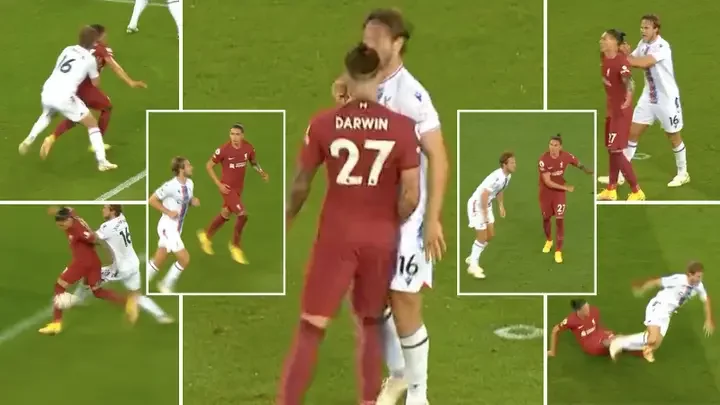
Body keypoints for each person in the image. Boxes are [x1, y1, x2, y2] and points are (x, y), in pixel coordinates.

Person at [277, 42, 421, 405]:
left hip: (336, 237)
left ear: (347, 74)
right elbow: (411, 195)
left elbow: (301, 184)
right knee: (370, 324)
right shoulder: (403, 129)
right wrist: (389, 220)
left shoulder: (323, 124)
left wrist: (285, 222)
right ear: (379, 75)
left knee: (312, 326)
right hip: (380, 238)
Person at [610, 262, 714, 362]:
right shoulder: (678, 279)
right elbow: (657, 282)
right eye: (698, 276)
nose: (700, 279)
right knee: (652, 339)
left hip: (667, 313)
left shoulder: (698, 285)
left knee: (655, 344)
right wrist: (643, 288)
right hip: (658, 306)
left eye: (701, 276)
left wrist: (708, 320)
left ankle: (634, 345)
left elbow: (706, 299)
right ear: (690, 274)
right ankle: (619, 342)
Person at [197, 123, 269, 264]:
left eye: (237, 134)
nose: (234, 137)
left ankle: (205, 236)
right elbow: (209, 165)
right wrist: (219, 184)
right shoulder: (224, 150)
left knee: (225, 213)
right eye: (232, 134)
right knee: (242, 214)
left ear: (242, 135)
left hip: (238, 189)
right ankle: (235, 246)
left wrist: (261, 172)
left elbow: (253, 162)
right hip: (227, 189)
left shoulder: (248, 148)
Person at [596, 29, 644, 201]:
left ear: (614, 43)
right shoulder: (605, 56)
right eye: (601, 39)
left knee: (616, 150)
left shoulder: (620, 61)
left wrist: (628, 99)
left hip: (621, 112)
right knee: (612, 150)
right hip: (611, 110)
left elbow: (629, 82)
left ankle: (637, 191)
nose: (601, 41)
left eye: (605, 39)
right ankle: (611, 189)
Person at [148, 157, 200, 293]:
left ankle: (142, 280)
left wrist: (192, 201)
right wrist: (168, 212)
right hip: (168, 226)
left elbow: (185, 200)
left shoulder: (190, 183)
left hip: (177, 228)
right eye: (188, 165)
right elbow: (152, 200)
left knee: (160, 258)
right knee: (184, 259)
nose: (191, 167)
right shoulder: (170, 186)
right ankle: (165, 284)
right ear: (181, 169)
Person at [538, 134, 592, 263]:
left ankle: (558, 250)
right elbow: (548, 182)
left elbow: (576, 162)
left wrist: (585, 169)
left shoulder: (566, 156)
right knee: (546, 218)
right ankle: (549, 240)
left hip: (559, 194)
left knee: (559, 219)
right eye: (551, 144)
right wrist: (566, 188)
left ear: (560, 147)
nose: (552, 147)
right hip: (546, 193)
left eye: (555, 145)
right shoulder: (543, 160)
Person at [465, 152, 515, 279]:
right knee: (482, 236)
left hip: (486, 204)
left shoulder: (507, 177)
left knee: (490, 234)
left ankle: (473, 256)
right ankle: (473, 266)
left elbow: (499, 191)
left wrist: (501, 206)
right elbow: (484, 195)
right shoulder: (497, 177)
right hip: (477, 204)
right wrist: (485, 215)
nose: (515, 165)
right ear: (504, 165)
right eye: (512, 163)